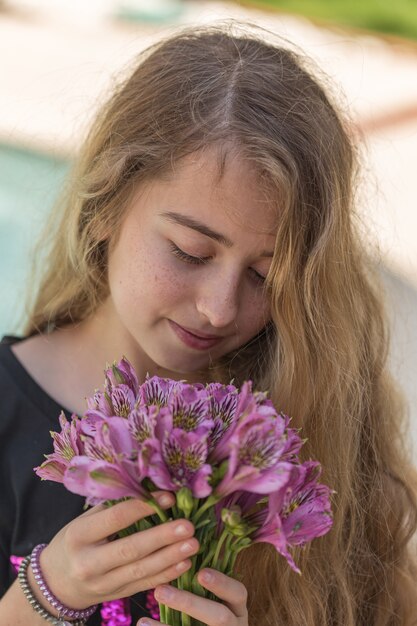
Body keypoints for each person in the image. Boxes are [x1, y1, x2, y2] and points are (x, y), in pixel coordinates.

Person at [1, 19, 416, 626]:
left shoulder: (316, 438)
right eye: (190, 252)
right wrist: (42, 596)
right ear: (104, 209)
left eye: (267, 278)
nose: (220, 310)